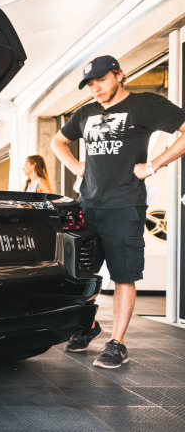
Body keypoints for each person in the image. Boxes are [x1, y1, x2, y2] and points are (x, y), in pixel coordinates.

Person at [51, 55, 185, 368]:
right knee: (84, 274)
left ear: (119, 75)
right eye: (90, 84)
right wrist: (74, 165)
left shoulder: (145, 105)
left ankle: (117, 344)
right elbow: (59, 141)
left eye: (102, 80)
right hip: (88, 205)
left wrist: (153, 165)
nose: (95, 88)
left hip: (125, 204)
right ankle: (89, 326)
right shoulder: (85, 112)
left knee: (124, 276)